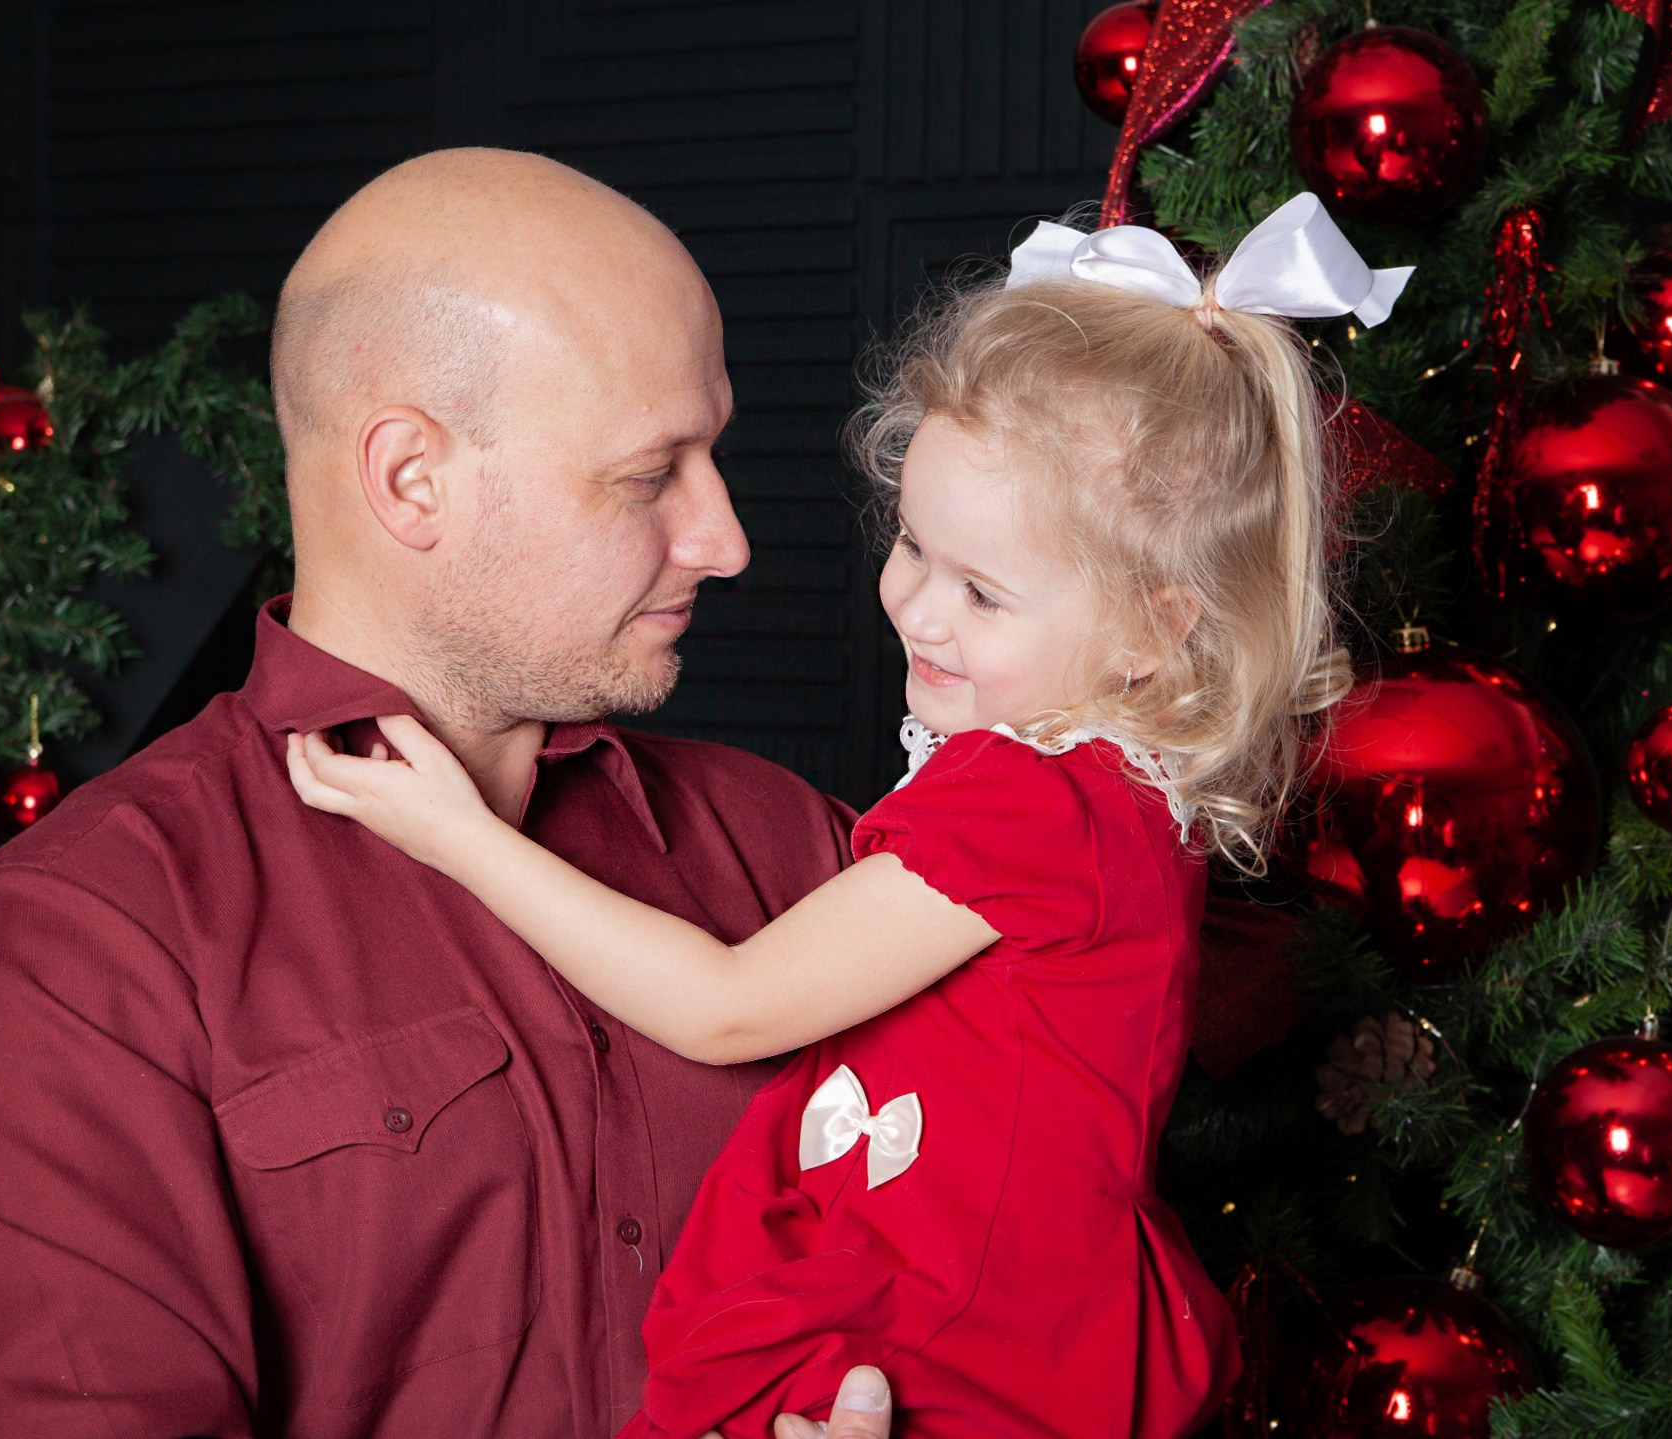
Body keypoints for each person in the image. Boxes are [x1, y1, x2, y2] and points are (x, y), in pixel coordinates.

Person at [285, 194, 1399, 1437]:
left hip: (949, 1332)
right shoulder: (1103, 795)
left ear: (1156, 631)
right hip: (976, 1304)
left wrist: (461, 832)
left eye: (983, 591)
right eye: (913, 545)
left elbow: (727, 1003)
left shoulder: (1038, 802)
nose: (917, 608)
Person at [0, 149, 898, 1439]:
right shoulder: (82, 944)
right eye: (651, 475)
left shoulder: (795, 851)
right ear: (411, 479)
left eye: (713, 455)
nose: (724, 538)